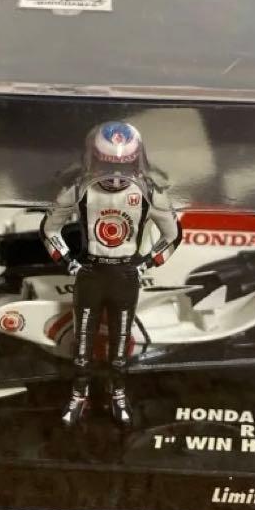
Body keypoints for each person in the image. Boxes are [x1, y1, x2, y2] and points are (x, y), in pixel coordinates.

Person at [41, 120, 181, 427]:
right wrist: (69, 262)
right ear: (93, 159)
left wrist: (145, 264)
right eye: (107, 164)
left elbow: (173, 235)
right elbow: (49, 229)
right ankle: (79, 395)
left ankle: (118, 393)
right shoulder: (77, 189)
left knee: (120, 345)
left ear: (137, 160)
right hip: (91, 272)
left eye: (125, 164)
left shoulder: (150, 192)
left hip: (125, 274)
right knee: (82, 345)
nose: (116, 175)